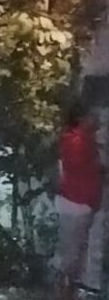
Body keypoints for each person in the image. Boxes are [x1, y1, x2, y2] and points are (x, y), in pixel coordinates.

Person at [53, 104, 103, 289]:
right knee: (71, 252)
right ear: (82, 119)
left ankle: (70, 290)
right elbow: (82, 168)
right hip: (75, 201)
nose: (97, 120)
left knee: (78, 250)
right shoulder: (76, 141)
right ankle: (61, 288)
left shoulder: (84, 140)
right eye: (93, 116)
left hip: (82, 201)